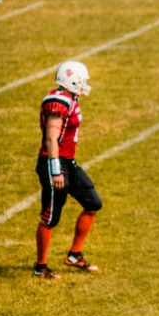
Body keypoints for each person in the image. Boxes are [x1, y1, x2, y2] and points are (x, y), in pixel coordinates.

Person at [34, 60, 102, 280]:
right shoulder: (59, 103)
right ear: (71, 80)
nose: (84, 84)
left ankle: (73, 255)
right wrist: (55, 170)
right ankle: (40, 266)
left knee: (93, 203)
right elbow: (52, 138)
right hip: (54, 163)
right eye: (81, 80)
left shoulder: (70, 99)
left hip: (68, 162)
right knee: (50, 218)